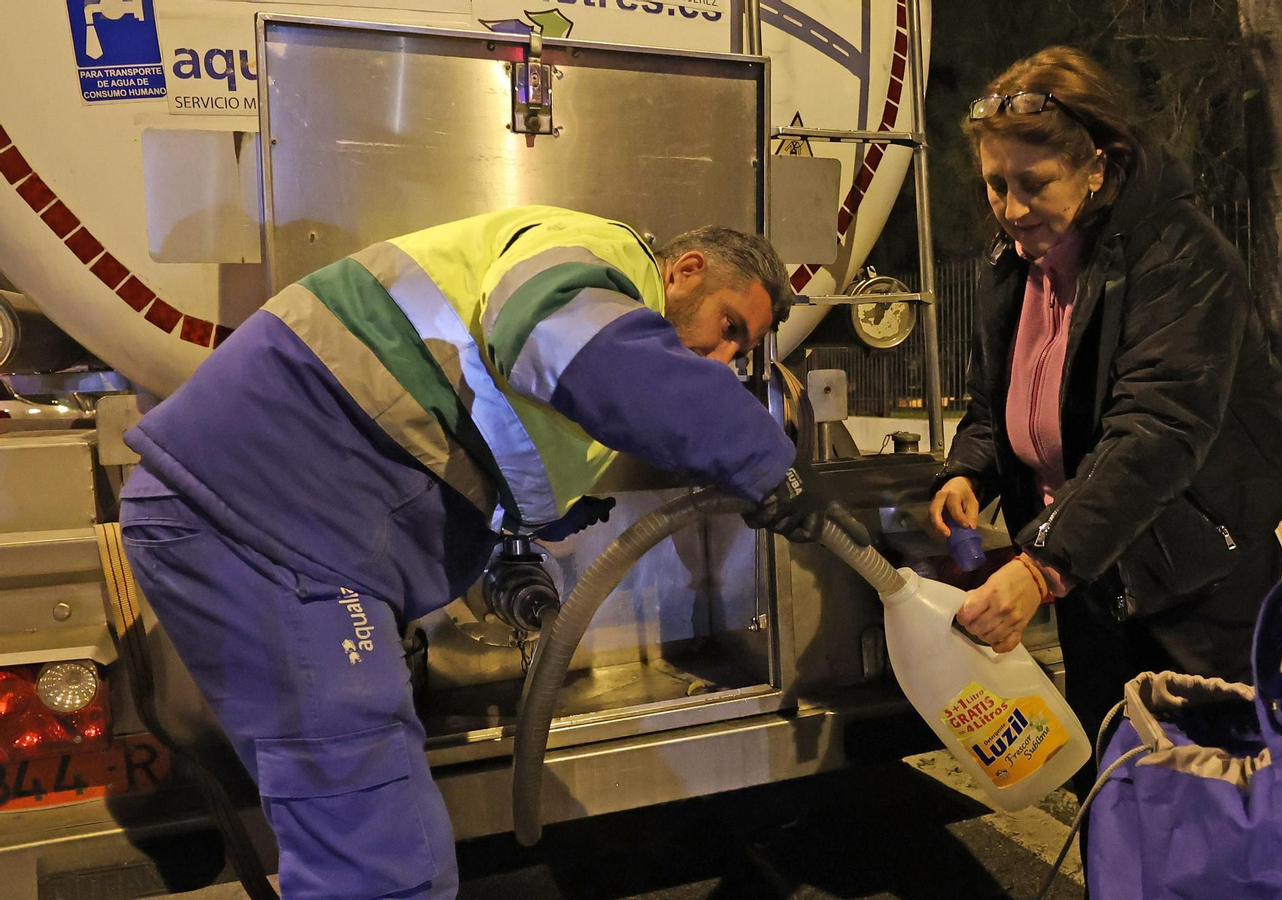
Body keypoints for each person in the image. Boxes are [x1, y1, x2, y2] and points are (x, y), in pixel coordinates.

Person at [118, 205, 863, 898]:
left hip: (295, 524)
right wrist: (770, 461)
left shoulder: (602, 305)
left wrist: (542, 512)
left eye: (742, 351)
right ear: (687, 269)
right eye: (730, 327)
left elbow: (489, 413)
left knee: (396, 851)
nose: (724, 359)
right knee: (382, 864)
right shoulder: (597, 258)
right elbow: (578, 351)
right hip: (267, 520)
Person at [929, 46, 1282, 784]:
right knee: (1112, 772)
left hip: (1198, 565)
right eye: (994, 185)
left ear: (1096, 170)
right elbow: (993, 401)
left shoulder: (1180, 256)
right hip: (1090, 562)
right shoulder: (1014, 264)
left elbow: (1157, 429)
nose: (1009, 209)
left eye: (1032, 184)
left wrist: (1042, 565)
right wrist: (970, 471)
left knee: (1217, 782)